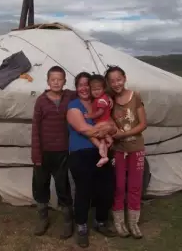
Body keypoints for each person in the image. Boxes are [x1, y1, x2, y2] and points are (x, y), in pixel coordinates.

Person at [66, 72, 118, 248]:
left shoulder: (100, 103)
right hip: (80, 154)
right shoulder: (73, 107)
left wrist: (108, 128)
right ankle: (81, 226)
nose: (83, 88)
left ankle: (101, 221)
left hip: (101, 153)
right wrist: (105, 130)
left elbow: (113, 125)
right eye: (80, 84)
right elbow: (83, 129)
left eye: (86, 84)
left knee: (106, 189)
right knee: (84, 191)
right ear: (76, 87)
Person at [31, 65, 77, 239]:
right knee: (40, 184)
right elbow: (35, 129)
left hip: (63, 152)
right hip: (43, 151)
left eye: (60, 79)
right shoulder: (41, 101)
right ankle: (43, 218)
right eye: (53, 79)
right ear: (48, 81)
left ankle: (67, 220)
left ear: (65, 81)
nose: (56, 82)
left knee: (62, 185)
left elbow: (87, 92)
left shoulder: (70, 97)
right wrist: (36, 154)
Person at [105, 66, 147, 239]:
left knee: (135, 185)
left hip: (136, 148)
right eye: (112, 81)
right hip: (118, 150)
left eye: (119, 79)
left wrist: (124, 134)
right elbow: (105, 119)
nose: (116, 83)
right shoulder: (109, 100)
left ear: (125, 78)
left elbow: (143, 124)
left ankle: (133, 223)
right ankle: (119, 222)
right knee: (119, 186)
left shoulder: (135, 96)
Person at [83, 74, 113, 167]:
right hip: (103, 123)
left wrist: (90, 116)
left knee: (89, 133)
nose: (96, 92)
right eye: (93, 90)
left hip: (103, 122)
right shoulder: (99, 98)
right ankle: (104, 156)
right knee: (102, 140)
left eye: (98, 89)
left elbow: (100, 112)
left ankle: (102, 149)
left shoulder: (102, 99)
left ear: (104, 89)